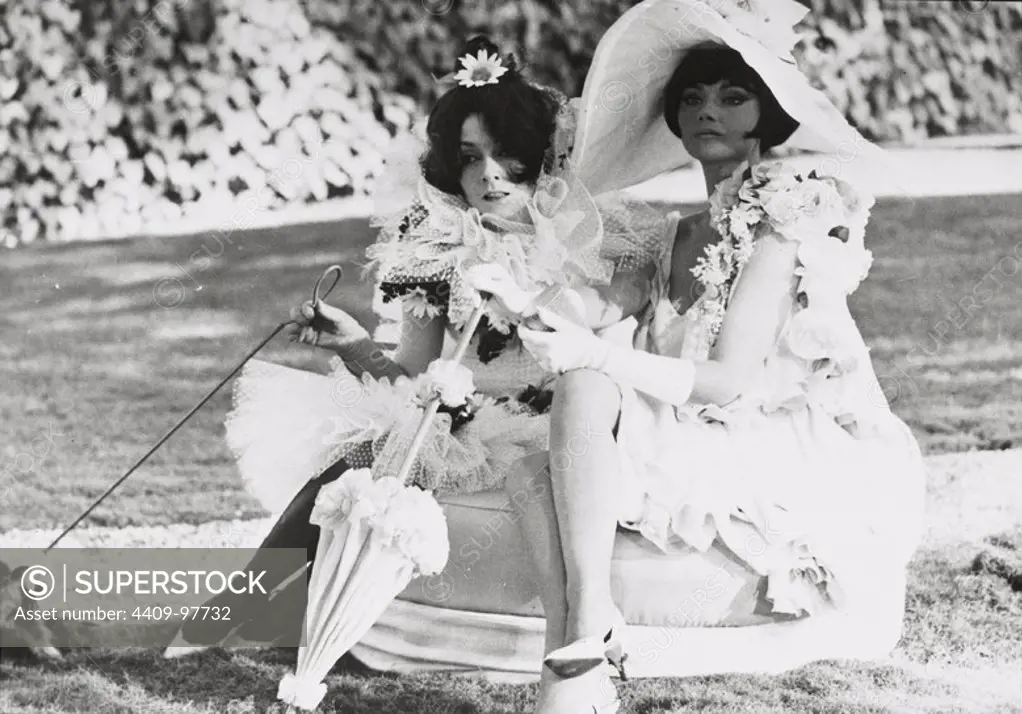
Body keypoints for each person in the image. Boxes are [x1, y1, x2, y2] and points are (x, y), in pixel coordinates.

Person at [473, 1, 927, 711]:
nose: (706, 110)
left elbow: (725, 383)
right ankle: (588, 630)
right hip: (677, 420)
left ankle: (574, 652)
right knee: (538, 461)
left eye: (732, 96)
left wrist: (592, 349)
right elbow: (584, 316)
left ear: (766, 115)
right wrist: (509, 281)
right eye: (691, 98)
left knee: (590, 378)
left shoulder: (786, 220)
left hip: (754, 428)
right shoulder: (669, 237)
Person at [162, 34, 667, 658]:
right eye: (469, 157)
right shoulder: (435, 245)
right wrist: (350, 343)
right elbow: (413, 374)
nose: (488, 175)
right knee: (354, 458)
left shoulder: (599, 238)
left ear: (542, 156)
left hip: (563, 427)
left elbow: (602, 348)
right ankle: (234, 613)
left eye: (507, 155)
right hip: (463, 414)